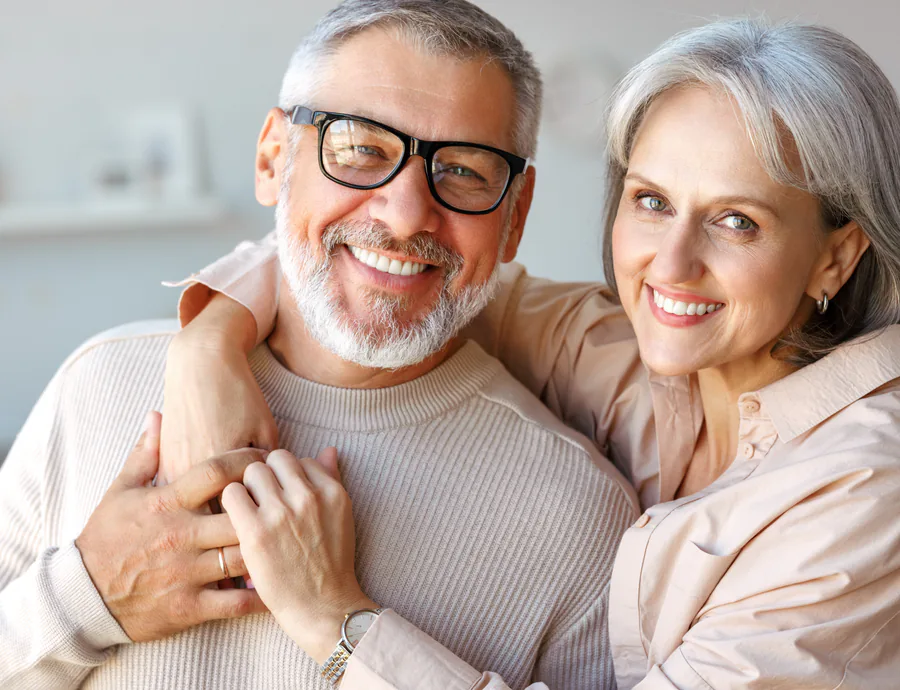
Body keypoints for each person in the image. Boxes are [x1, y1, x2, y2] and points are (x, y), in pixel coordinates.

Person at [163, 15, 900, 690]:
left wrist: (337, 621)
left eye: (737, 221)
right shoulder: (618, 350)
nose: (670, 265)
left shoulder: (866, 492)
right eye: (651, 201)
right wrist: (208, 343)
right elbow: (397, 263)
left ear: (835, 257)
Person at [0, 1, 639, 688]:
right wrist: (87, 596)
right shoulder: (99, 384)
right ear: (274, 159)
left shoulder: (580, 518)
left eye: (462, 171)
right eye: (361, 149)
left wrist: (345, 628)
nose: (403, 216)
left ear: (515, 215)